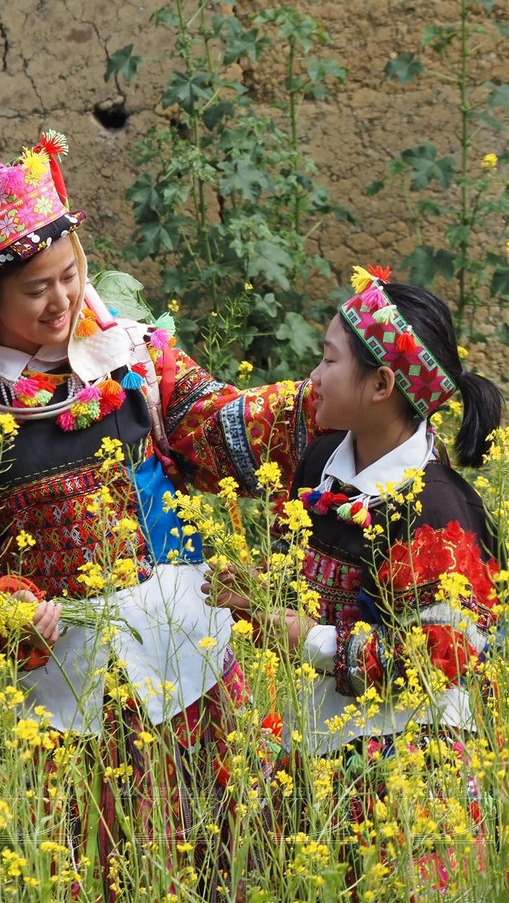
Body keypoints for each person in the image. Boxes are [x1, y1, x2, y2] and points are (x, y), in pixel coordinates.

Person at [0, 131, 319, 880]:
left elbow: (217, 423)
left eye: (69, 276)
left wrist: (320, 406)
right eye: (36, 289)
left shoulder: (132, 358)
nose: (61, 300)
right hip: (70, 700)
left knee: (227, 857)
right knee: (104, 866)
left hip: (191, 666)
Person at [210, 266, 504, 891]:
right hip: (320, 749)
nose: (312, 378)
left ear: (380, 384)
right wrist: (258, 593)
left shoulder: (437, 509)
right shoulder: (320, 461)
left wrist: (310, 640)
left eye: (328, 359)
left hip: (411, 770)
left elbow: (443, 655)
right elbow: (303, 583)